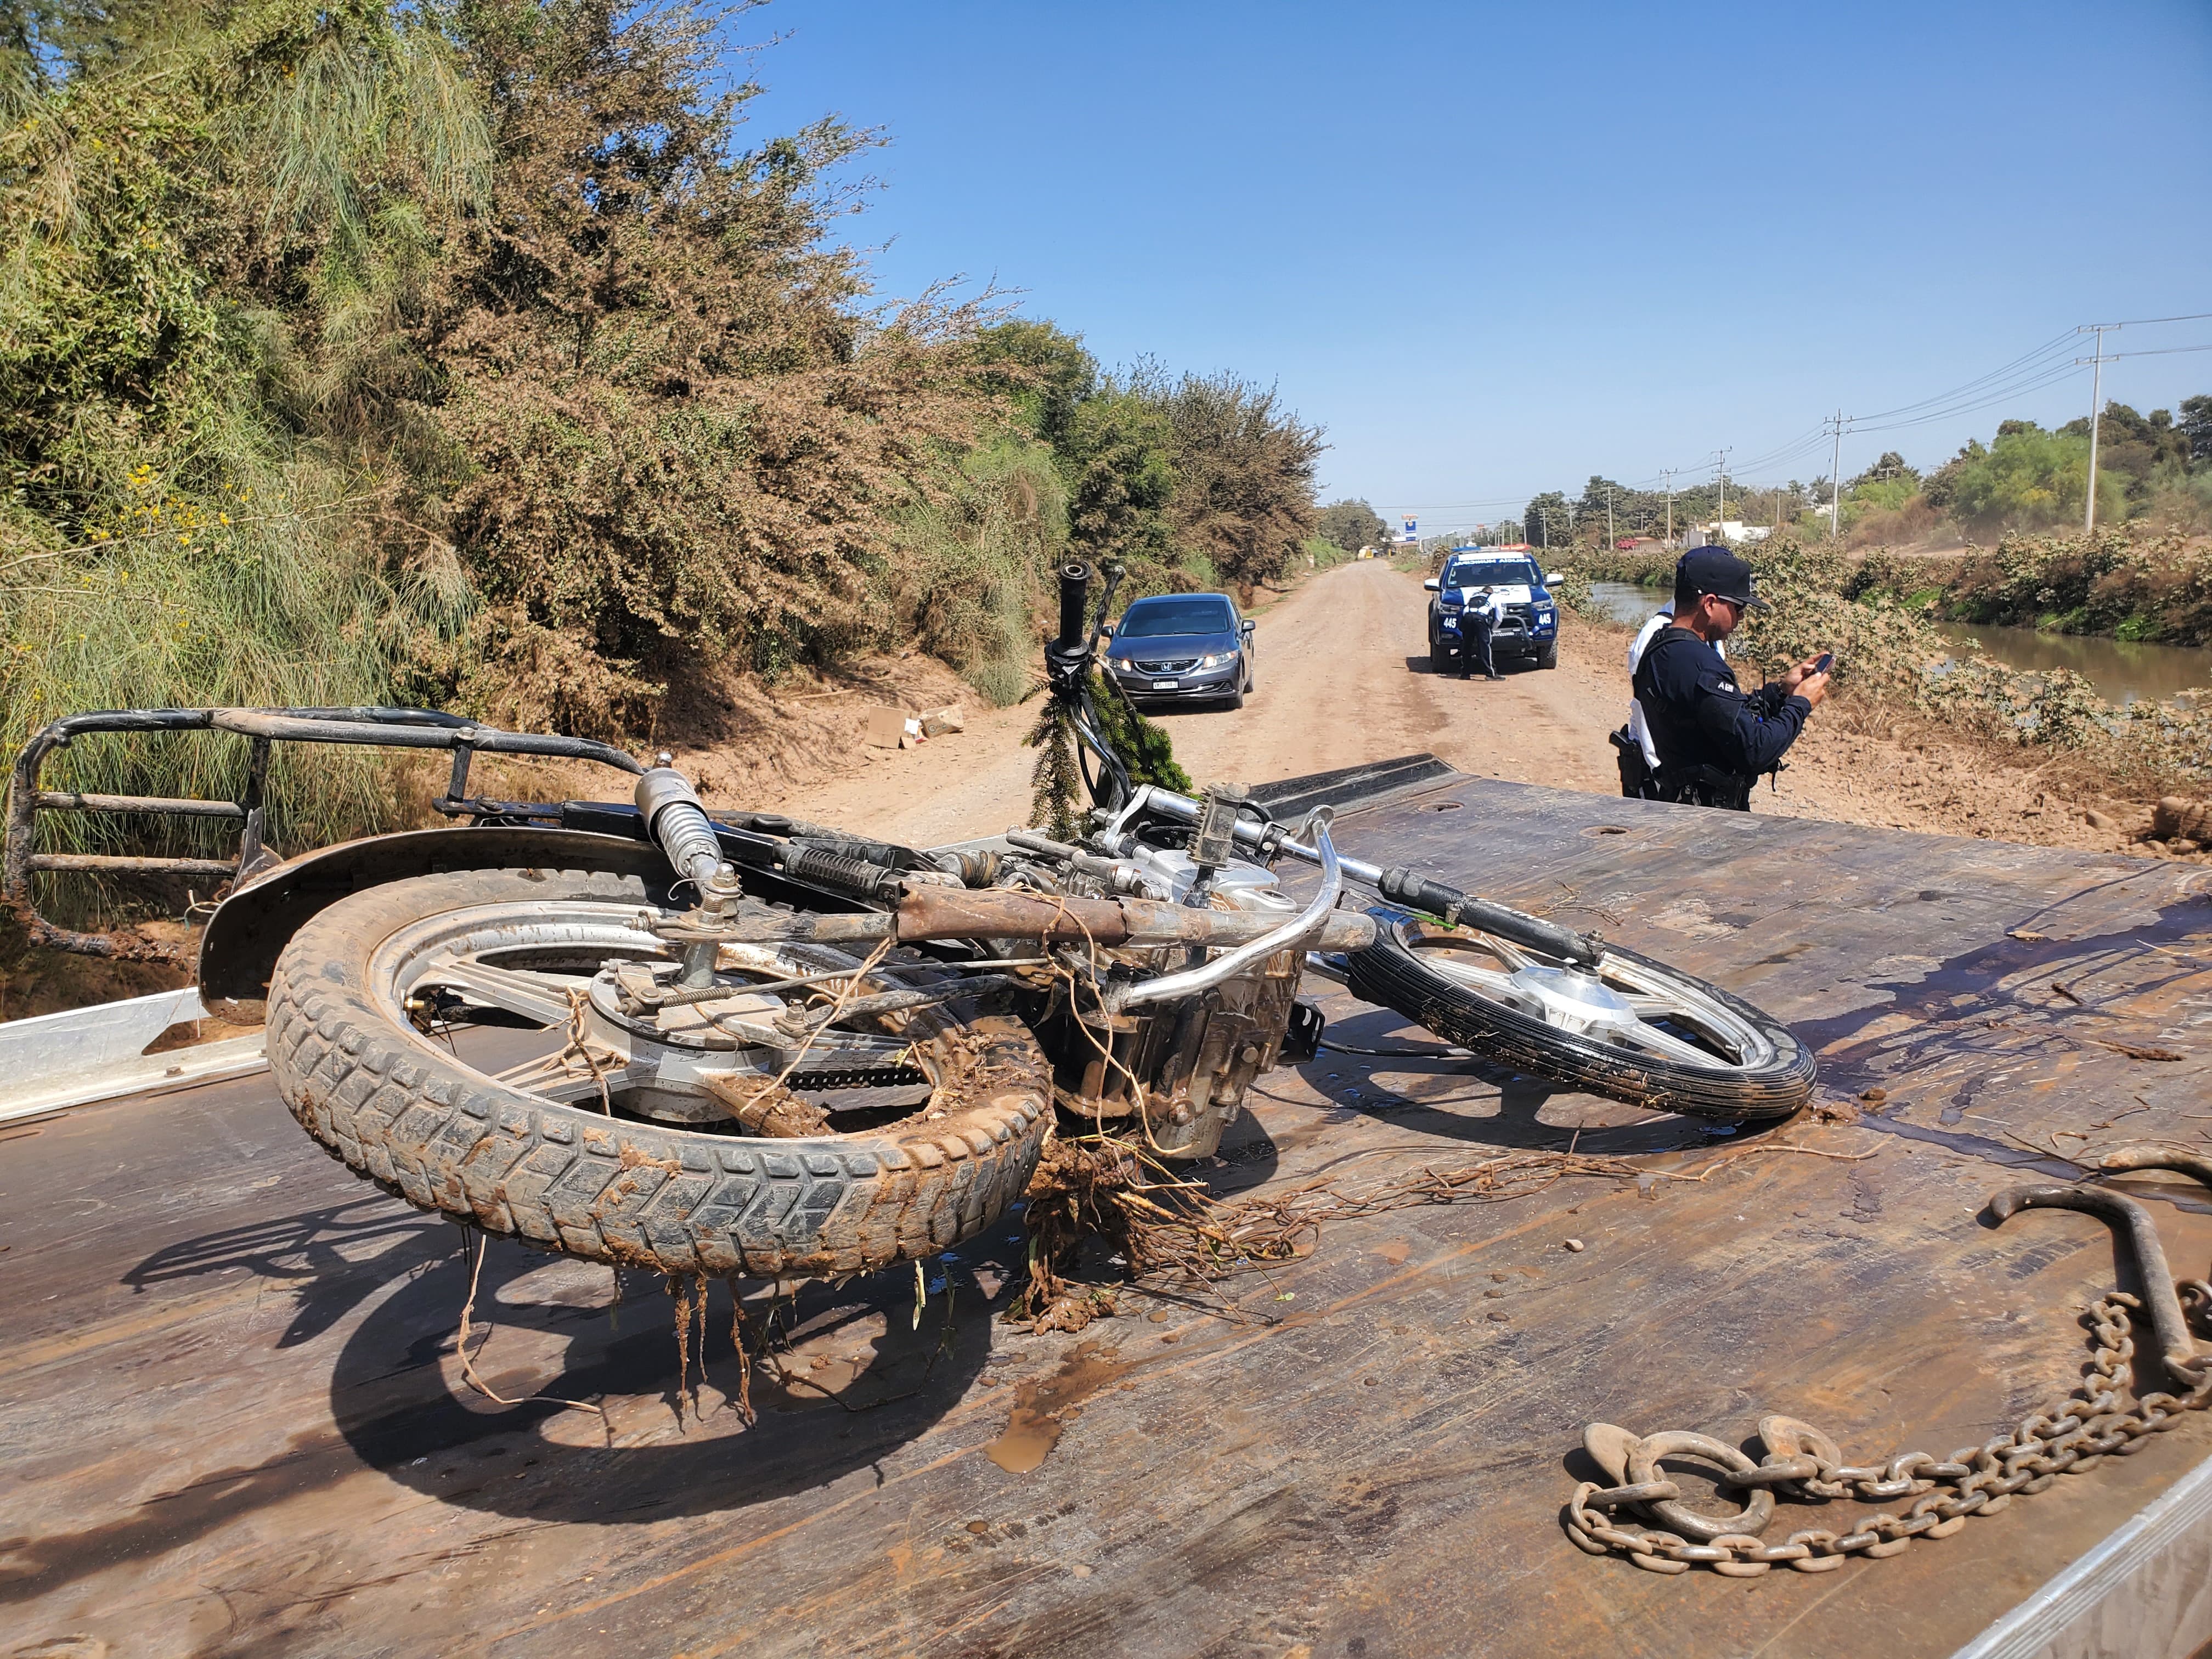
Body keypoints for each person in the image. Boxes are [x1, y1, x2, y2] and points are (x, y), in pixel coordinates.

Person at [1627, 546, 1830, 810]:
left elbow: (1720, 713)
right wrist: (1801, 704)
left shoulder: (1662, 646)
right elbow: (1755, 750)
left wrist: (1780, 690)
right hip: (1709, 818)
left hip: (1680, 803)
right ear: (1710, 604)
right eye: (1738, 606)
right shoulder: (1700, 665)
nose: (1742, 616)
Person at [1461, 584, 1502, 680]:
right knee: (1485, 646)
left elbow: (1464, 612)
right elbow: (1499, 617)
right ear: (1491, 592)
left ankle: (1465, 674)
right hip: (1480, 618)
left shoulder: (1474, 596)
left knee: (1467, 646)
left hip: (1468, 617)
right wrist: (1492, 628)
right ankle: (1490, 674)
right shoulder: (1494, 596)